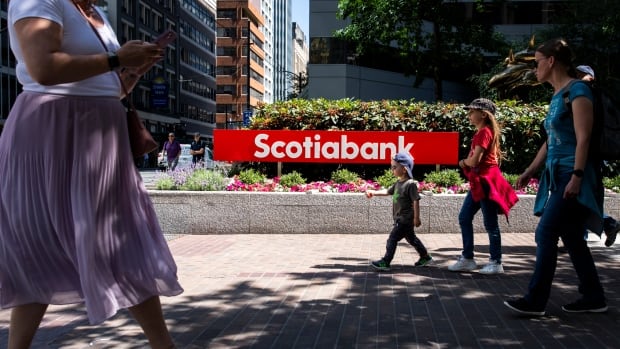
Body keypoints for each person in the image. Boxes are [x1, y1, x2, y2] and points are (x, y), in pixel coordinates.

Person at [0, 1, 184, 348]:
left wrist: (131, 71)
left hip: (99, 133)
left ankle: (164, 345)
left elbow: (107, 87)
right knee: (35, 244)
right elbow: (43, 68)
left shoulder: (97, 14)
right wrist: (118, 59)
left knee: (123, 241)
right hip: (50, 131)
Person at [504, 38, 607, 316]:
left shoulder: (579, 90)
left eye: (537, 62)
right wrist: (529, 170)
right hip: (557, 172)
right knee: (572, 235)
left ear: (551, 61)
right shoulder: (556, 95)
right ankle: (594, 296)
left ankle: (535, 300)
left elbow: (583, 138)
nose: (534, 69)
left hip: (573, 173)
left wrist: (577, 176)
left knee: (546, 231)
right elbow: (552, 140)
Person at [448, 98, 519, 275]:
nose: (469, 115)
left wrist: (463, 162)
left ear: (483, 114)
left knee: (489, 223)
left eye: (472, 112)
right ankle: (468, 258)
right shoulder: (485, 132)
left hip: (485, 182)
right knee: (466, 218)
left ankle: (495, 262)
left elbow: (475, 160)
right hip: (481, 182)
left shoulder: (483, 133)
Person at [365, 151, 433, 271]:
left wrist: (417, 218)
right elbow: (387, 191)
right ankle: (425, 256)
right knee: (412, 239)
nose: (392, 169)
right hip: (400, 218)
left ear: (404, 169)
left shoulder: (410, 184)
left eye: (394, 167)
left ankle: (386, 261)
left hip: (405, 219)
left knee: (392, 239)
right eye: (391, 167)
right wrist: (373, 192)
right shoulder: (398, 183)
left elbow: (416, 200)